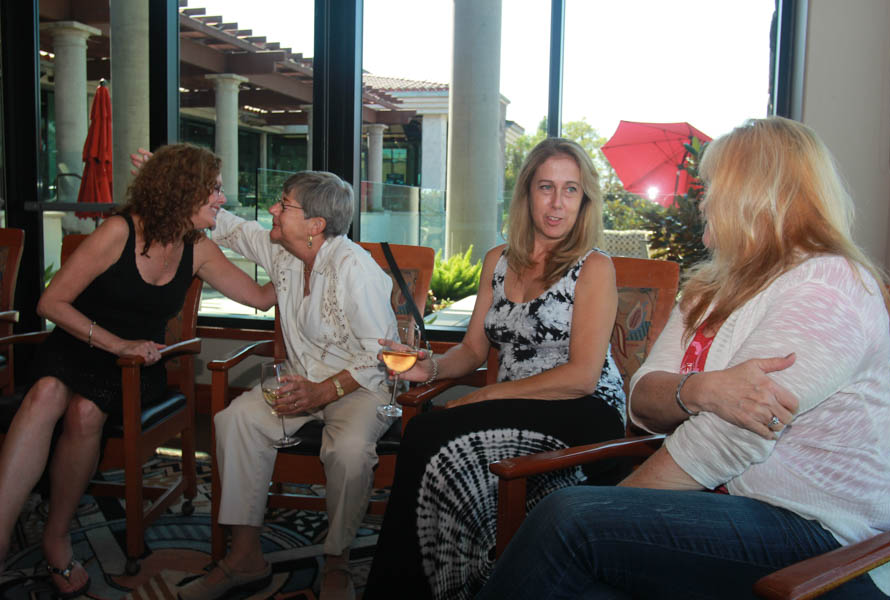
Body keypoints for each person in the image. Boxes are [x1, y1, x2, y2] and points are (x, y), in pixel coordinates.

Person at [474, 117, 890, 600]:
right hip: (729, 505)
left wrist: (609, 509)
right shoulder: (711, 289)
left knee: (568, 522)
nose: (703, 199)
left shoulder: (828, 286)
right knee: (578, 571)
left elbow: (728, 440)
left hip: (822, 535)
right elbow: (643, 399)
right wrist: (697, 390)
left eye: (714, 186)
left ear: (754, 193)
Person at [0, 143, 276, 598]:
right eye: (215, 191)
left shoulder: (200, 248)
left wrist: (301, 257)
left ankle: (57, 534)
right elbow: (50, 303)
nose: (222, 200)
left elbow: (261, 298)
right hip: (80, 343)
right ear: (183, 192)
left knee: (87, 412)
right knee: (45, 392)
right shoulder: (118, 231)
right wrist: (114, 342)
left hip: (136, 362)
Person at [364, 137, 628, 600]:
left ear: (585, 200)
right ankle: (447, 581)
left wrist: (486, 394)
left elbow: (583, 375)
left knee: (430, 434)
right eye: (547, 187)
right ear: (527, 192)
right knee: (427, 434)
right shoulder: (498, 261)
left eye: (571, 190)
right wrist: (432, 366)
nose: (557, 203)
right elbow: (471, 349)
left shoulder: (594, 267)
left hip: (585, 410)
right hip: (516, 406)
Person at [174, 170, 397, 600]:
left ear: (316, 225)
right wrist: (180, 187)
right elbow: (233, 229)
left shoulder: (357, 269)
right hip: (299, 383)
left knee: (348, 451)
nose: (273, 210)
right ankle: (244, 558)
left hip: (359, 388)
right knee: (235, 420)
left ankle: (337, 561)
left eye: (284, 204)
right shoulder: (282, 250)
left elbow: (381, 356)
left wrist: (323, 392)